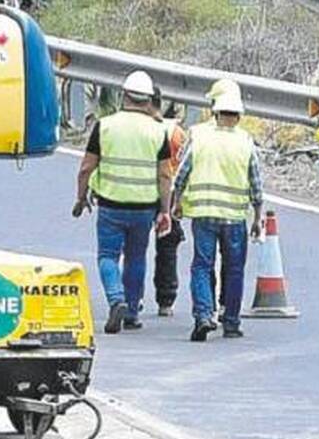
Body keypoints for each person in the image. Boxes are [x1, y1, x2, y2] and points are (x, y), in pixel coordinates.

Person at [73, 70, 173, 334]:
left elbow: (86, 168)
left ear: (124, 95)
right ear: (149, 99)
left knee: (108, 255)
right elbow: (164, 174)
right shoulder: (158, 130)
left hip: (111, 205)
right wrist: (165, 210)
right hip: (143, 208)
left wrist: (81, 198)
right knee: (136, 257)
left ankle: (116, 298)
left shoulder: (105, 126)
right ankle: (131, 310)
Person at [172, 82, 264, 341]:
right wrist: (257, 216)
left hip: (203, 215)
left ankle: (203, 315)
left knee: (202, 265)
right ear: (238, 114)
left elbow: (182, 173)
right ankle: (231, 322)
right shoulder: (245, 142)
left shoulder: (199, 136)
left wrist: (176, 202)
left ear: (215, 111)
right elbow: (256, 183)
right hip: (235, 217)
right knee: (234, 269)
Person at [150, 90, 186, 317]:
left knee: (132, 249)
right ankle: (166, 300)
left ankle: (129, 300)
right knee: (167, 246)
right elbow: (181, 168)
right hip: (168, 192)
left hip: (137, 192)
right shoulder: (176, 132)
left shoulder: (128, 128)